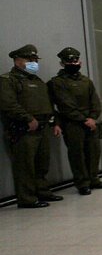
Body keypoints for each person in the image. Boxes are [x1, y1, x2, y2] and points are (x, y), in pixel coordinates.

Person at [0, 44, 64, 208]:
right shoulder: (8, 80)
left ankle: (42, 191)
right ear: (17, 60)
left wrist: (54, 122)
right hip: (23, 130)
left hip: (42, 128)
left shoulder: (38, 81)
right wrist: (28, 119)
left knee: (42, 164)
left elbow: (48, 105)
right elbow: (8, 104)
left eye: (35, 59)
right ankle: (27, 199)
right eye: (29, 60)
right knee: (25, 166)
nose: (33, 63)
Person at [47, 47, 102, 196]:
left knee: (94, 151)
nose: (73, 63)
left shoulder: (86, 81)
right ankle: (82, 183)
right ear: (62, 63)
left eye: (75, 60)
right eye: (69, 61)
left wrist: (93, 118)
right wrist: (84, 119)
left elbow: (95, 101)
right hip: (72, 123)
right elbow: (65, 105)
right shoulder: (57, 83)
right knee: (77, 155)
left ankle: (93, 178)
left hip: (91, 122)